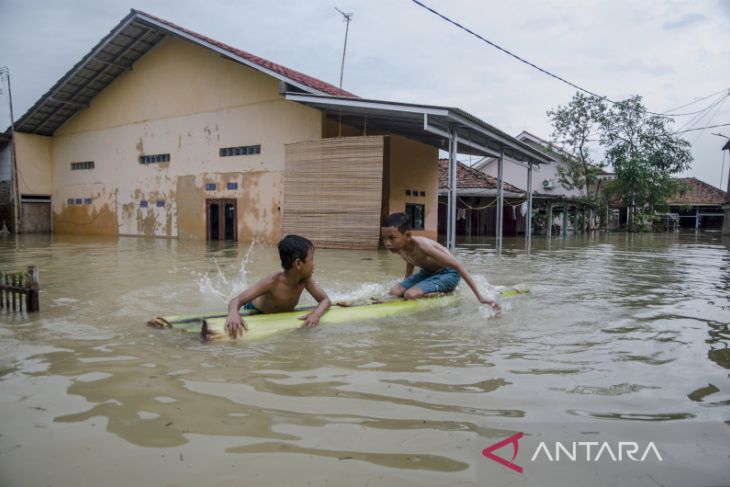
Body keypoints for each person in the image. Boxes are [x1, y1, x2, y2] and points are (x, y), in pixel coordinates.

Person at [381, 212, 500, 311]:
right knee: (394, 292)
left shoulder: (423, 246)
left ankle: (448, 293)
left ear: (407, 235)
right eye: (384, 238)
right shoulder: (398, 247)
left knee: (410, 295)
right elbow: (410, 260)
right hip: (427, 273)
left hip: (448, 274)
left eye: (392, 238)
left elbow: (458, 266)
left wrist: (480, 297)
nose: (387, 243)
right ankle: (423, 290)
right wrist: (405, 283)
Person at [225, 235, 331, 338]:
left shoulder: (305, 280)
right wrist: (233, 314)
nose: (314, 264)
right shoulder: (272, 282)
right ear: (298, 264)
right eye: (311, 260)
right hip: (254, 308)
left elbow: (325, 300)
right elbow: (236, 300)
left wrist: (315, 315)